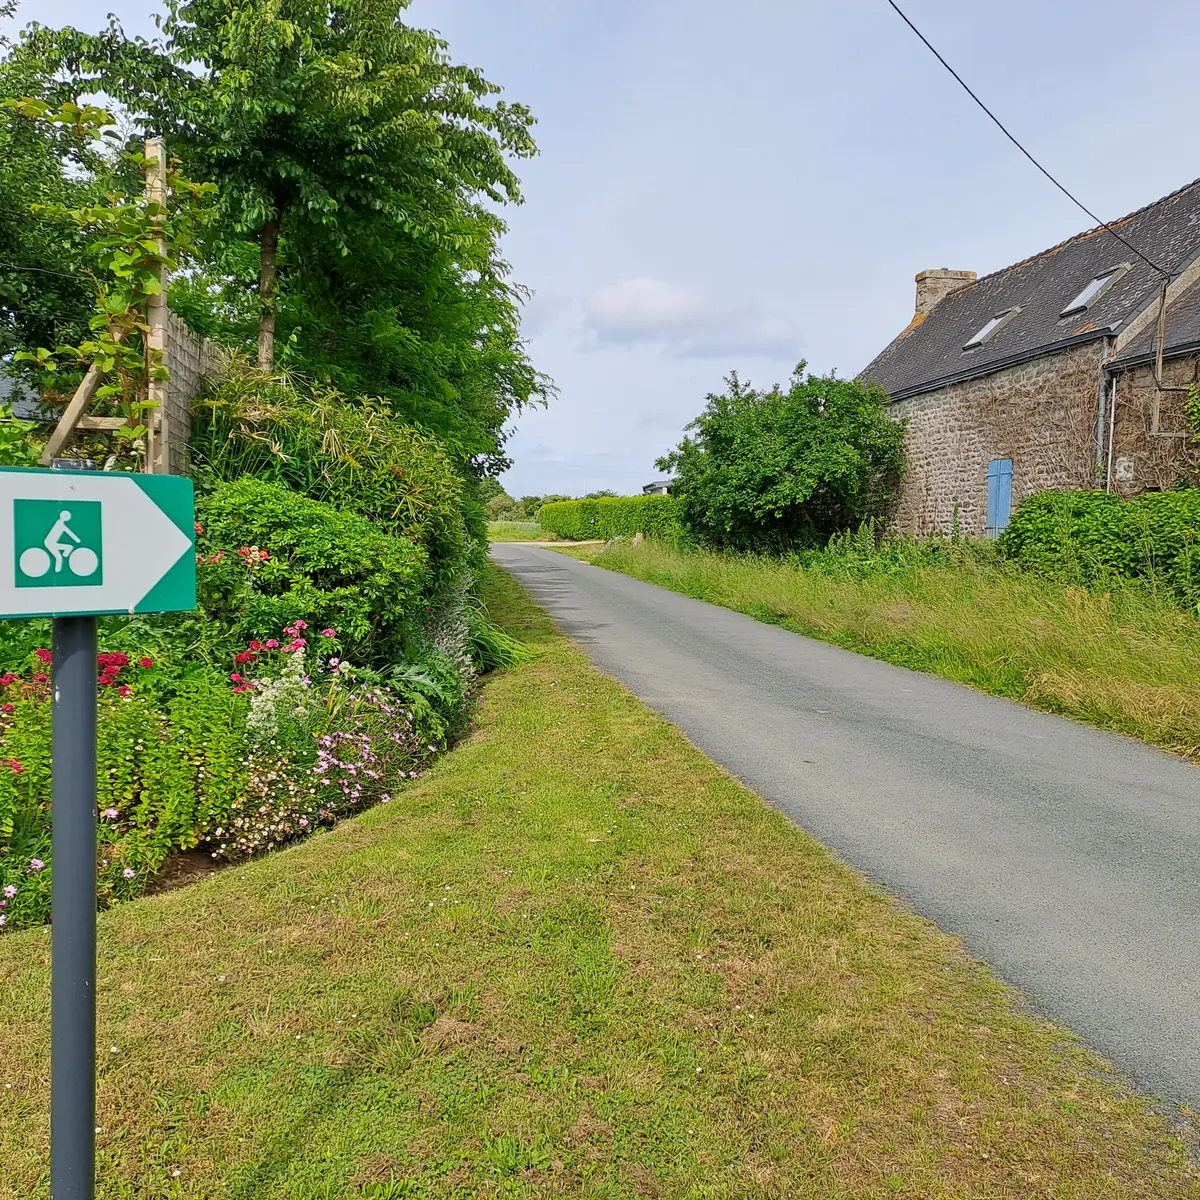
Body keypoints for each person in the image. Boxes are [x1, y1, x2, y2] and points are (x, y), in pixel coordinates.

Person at [44, 509, 81, 573]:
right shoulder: (60, 523)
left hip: (50, 543)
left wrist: (77, 540)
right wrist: (77, 540)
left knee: (65, 551)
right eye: (67, 516)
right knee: (60, 557)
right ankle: (57, 571)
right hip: (49, 543)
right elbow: (69, 532)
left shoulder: (60, 523)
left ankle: (64, 558)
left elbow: (69, 532)